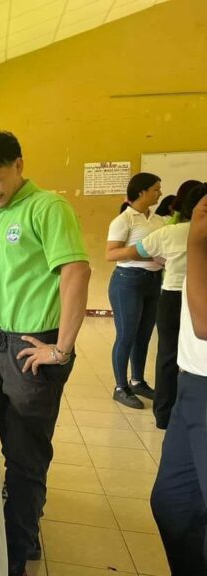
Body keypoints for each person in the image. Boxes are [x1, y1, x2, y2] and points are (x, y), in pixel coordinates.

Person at [0, 131, 91, 576]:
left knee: (25, 455)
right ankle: (17, 529)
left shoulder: (48, 208)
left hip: (35, 346)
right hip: (0, 341)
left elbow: (76, 270)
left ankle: (17, 555)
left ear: (18, 164)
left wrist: (62, 348)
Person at [116, 183, 207, 428]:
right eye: (155, 188)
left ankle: (164, 414)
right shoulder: (168, 229)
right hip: (194, 298)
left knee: (168, 355)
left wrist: (161, 258)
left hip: (172, 297)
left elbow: (136, 250)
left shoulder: (169, 231)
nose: (158, 192)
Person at [151, 188, 207, 574]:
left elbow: (204, 325)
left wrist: (195, 242)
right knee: (173, 504)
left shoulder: (196, 241)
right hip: (192, 385)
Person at [106, 173, 166, 409]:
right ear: (141, 192)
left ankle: (138, 381)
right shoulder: (124, 220)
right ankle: (121, 387)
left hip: (153, 280)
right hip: (127, 281)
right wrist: (143, 251)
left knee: (144, 336)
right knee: (127, 335)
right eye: (156, 189)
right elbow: (110, 254)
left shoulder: (158, 220)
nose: (160, 193)